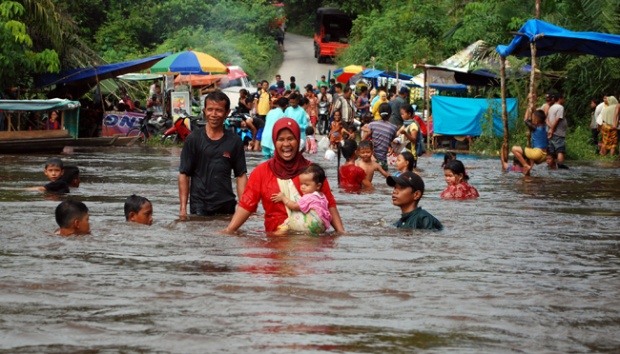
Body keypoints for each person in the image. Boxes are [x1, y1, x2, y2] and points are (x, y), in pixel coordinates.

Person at [225, 118, 345, 234]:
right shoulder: (261, 172)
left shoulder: (312, 172)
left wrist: (341, 232)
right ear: (274, 141)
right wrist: (229, 230)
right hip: (275, 242)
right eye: (281, 139)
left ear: (298, 140)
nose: (286, 144)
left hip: (308, 245)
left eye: (290, 139)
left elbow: (328, 204)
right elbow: (247, 205)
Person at [178, 91, 248, 217]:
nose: (214, 114)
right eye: (210, 109)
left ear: (227, 113)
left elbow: (241, 175)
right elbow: (184, 174)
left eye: (219, 110)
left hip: (226, 204)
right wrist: (183, 208)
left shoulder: (235, 141)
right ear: (204, 111)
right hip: (199, 205)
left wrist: (244, 206)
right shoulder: (193, 139)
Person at [270, 163, 332, 235]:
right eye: (301, 184)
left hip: (313, 224)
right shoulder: (322, 197)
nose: (302, 187)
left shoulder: (308, 197)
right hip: (322, 227)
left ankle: (276, 234)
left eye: (306, 185)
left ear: (318, 186)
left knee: (288, 222)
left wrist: (283, 198)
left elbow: (295, 206)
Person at [511, 109, 548, 175]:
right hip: (544, 155)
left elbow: (525, 120)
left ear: (537, 120)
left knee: (514, 149)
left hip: (537, 153)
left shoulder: (535, 128)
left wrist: (528, 108)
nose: (532, 120)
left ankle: (525, 165)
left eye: (533, 118)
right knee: (526, 173)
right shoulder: (545, 127)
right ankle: (528, 179)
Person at [362, 103, 398, 170]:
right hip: (383, 163)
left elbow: (362, 141)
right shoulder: (393, 128)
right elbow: (392, 142)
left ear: (378, 113)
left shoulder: (372, 125)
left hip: (370, 160)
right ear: (390, 113)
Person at [547, 93, 568, 167]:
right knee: (560, 150)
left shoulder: (551, 107)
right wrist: (552, 129)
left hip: (550, 132)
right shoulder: (560, 107)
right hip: (558, 132)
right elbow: (557, 119)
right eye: (563, 98)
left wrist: (550, 128)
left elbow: (547, 119)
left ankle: (552, 167)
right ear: (560, 98)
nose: (564, 100)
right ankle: (561, 167)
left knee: (551, 152)